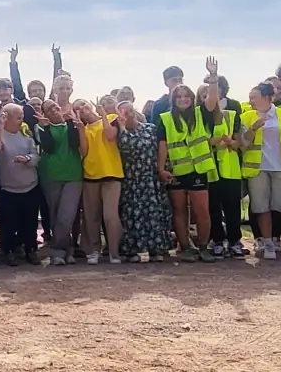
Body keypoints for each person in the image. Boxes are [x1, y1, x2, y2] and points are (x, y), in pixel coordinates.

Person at [239, 83, 281, 260]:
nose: (251, 101)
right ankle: (268, 245)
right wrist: (254, 128)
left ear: (267, 97)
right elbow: (243, 144)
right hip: (257, 169)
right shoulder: (246, 116)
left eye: (254, 97)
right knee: (262, 208)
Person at [157, 85, 219, 262]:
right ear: (173, 100)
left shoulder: (200, 113)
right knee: (180, 210)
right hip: (176, 171)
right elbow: (162, 145)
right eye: (178, 96)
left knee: (202, 211)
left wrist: (213, 78)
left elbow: (212, 99)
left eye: (186, 96)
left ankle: (203, 247)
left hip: (198, 170)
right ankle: (185, 247)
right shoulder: (165, 118)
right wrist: (161, 169)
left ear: (192, 98)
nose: (182, 99)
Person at [115, 101, 168, 262]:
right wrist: (122, 127)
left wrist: (161, 170)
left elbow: (160, 149)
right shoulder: (120, 133)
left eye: (131, 110)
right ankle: (132, 251)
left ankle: (156, 250)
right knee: (132, 215)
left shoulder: (151, 129)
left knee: (154, 213)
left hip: (151, 177)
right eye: (124, 112)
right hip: (132, 179)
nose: (129, 114)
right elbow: (125, 147)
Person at [0, 103, 39, 266]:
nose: (21, 120)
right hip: (8, 188)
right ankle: (8, 251)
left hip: (30, 186)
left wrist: (27, 159)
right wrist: (1, 125)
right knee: (7, 223)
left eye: (21, 117)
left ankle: (30, 249)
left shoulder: (25, 133)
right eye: (18, 117)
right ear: (6, 118)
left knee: (29, 222)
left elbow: (36, 155)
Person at [199, 79, 245, 258]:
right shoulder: (198, 115)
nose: (208, 97)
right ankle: (217, 240)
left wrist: (232, 142)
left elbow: (239, 139)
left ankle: (235, 241)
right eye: (203, 95)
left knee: (233, 206)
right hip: (209, 167)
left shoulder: (232, 112)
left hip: (229, 166)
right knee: (213, 207)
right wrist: (211, 142)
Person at [35, 101, 84, 266]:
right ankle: (66, 250)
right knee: (55, 215)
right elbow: (48, 147)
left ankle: (58, 250)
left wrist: (72, 123)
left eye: (55, 107)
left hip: (73, 175)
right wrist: (46, 128)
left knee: (66, 216)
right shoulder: (41, 127)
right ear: (45, 114)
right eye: (49, 110)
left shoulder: (72, 124)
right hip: (51, 176)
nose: (54, 111)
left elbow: (75, 144)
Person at [78, 99, 124, 265]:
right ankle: (94, 250)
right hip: (90, 175)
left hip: (112, 173)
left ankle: (114, 251)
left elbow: (110, 136)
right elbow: (84, 151)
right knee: (91, 216)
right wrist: (80, 129)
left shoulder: (111, 117)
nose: (82, 109)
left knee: (110, 215)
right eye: (77, 108)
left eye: (83, 104)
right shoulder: (82, 128)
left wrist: (102, 115)